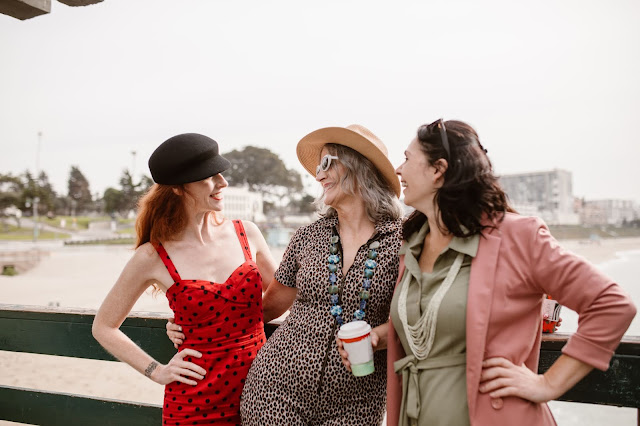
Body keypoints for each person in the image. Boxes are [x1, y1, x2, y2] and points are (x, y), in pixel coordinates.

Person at [380, 119, 636, 425]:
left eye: (407, 158)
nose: (399, 169)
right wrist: (380, 336)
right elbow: (432, 324)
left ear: (438, 170)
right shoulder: (410, 246)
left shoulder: (519, 237)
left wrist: (548, 384)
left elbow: (611, 304)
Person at [92, 133, 276, 426]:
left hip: (262, 395)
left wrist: (223, 322)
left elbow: (284, 293)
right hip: (195, 405)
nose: (222, 182)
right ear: (178, 188)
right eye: (209, 176)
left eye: (220, 173)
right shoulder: (152, 255)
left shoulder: (247, 233)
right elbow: (104, 327)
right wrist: (156, 370)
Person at [239, 124, 404, 425]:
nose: (319, 176)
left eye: (327, 163)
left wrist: (377, 338)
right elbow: (268, 307)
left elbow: (415, 316)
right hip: (275, 389)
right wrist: (200, 324)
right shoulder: (307, 237)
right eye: (318, 167)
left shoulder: (403, 242)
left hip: (357, 402)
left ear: (360, 167)